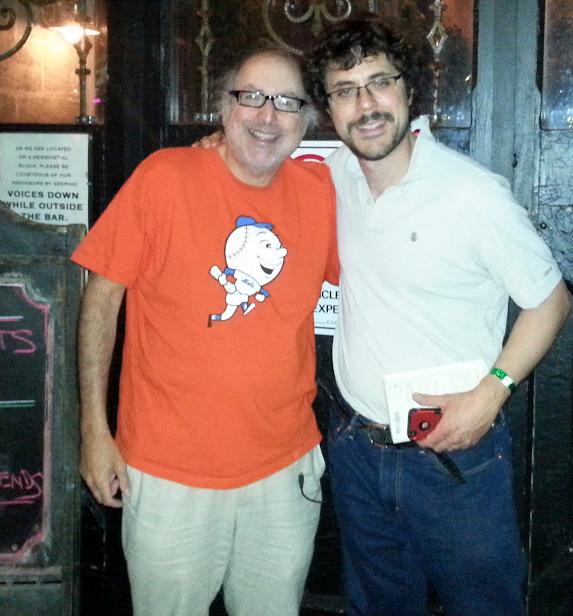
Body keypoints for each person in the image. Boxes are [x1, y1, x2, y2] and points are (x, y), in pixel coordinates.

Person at [302, 15, 572, 616]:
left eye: (380, 82)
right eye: (345, 90)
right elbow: (258, 159)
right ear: (329, 108)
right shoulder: (335, 173)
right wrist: (215, 146)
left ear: (409, 89)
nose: (365, 105)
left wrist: (492, 393)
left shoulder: (472, 194)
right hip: (357, 449)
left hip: (453, 457)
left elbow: (551, 301)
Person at [72, 48, 339, 616]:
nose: (268, 116)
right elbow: (101, 298)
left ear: (306, 121)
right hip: (168, 474)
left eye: (287, 102)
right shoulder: (164, 177)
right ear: (223, 107)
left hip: (284, 470)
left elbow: (388, 269)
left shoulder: (321, 192)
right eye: (252, 96)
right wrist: (93, 429)